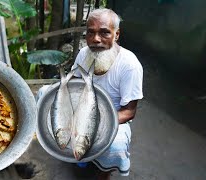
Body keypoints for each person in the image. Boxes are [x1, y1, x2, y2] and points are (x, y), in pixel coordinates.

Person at [71, 8, 143, 179]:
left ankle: (104, 171)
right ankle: (79, 158)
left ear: (116, 35)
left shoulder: (129, 65)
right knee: (45, 97)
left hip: (113, 117)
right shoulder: (84, 54)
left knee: (115, 146)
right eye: (91, 33)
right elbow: (74, 85)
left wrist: (95, 124)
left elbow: (129, 111)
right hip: (84, 108)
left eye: (104, 33)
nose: (96, 39)